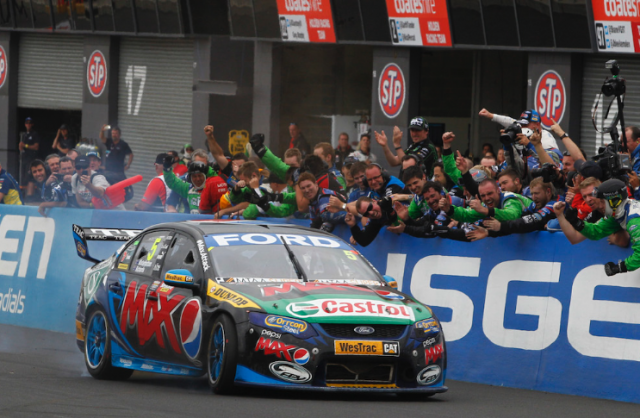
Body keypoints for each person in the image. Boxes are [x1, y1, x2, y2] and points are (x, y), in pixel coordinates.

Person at [554, 178, 640, 276]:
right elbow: (596, 231)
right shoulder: (618, 214)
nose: (600, 205)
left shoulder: (634, 220)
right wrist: (576, 222)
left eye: (603, 201)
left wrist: (619, 267)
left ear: (614, 201)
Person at [441, 178, 533, 223]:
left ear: (498, 190)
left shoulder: (510, 198)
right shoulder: (486, 207)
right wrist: (449, 209)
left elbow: (513, 215)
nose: (487, 198)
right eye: (483, 196)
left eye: (490, 194)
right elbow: (466, 215)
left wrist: (485, 211)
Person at [374, 116, 438, 178]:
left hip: (419, 187)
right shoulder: (413, 145)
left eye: (418, 130)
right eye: (412, 130)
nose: (414, 134)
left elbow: (408, 165)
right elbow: (394, 162)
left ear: (426, 131)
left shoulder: (429, 147)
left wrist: (397, 144)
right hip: (406, 186)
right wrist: (385, 146)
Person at [19, 117, 40, 186]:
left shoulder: (34, 134)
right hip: (24, 158)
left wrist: (25, 145)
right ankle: (22, 191)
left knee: (28, 176)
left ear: (32, 124)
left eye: (30, 123)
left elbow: (36, 147)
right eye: (27, 123)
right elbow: (21, 148)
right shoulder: (24, 135)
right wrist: (21, 146)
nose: (28, 124)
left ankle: (29, 193)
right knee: (22, 175)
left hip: (31, 158)